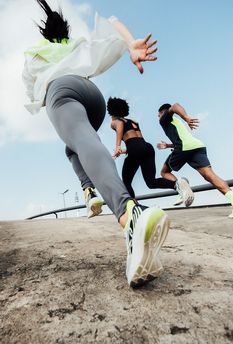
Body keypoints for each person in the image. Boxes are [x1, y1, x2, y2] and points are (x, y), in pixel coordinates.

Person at [22, 0, 169, 287]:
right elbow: (112, 21)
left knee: (76, 137)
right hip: (92, 95)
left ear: (45, 35)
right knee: (77, 143)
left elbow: (32, 92)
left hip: (61, 91)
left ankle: (130, 215)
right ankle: (90, 192)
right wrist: (130, 44)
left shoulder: (34, 53)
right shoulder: (75, 44)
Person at [107, 97, 194, 206]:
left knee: (126, 182)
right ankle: (177, 184)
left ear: (111, 111)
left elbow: (120, 126)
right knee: (151, 182)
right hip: (146, 148)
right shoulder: (134, 122)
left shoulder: (115, 122)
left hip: (135, 148)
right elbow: (138, 140)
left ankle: (135, 207)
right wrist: (124, 151)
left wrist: (118, 146)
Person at [157, 103, 233, 218]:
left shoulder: (164, 119)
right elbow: (180, 139)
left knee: (164, 172)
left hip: (184, 148)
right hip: (196, 146)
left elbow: (174, 106)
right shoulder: (175, 122)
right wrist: (168, 146)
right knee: (210, 176)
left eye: (158, 115)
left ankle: (181, 187)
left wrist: (186, 117)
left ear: (163, 113)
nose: (158, 117)